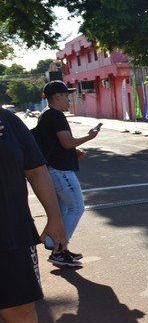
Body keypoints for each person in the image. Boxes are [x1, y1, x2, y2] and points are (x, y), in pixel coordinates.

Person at [0, 107, 69, 323]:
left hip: (11, 231)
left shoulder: (8, 121)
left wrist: (55, 217)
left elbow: (36, 169)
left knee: (21, 307)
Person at [35, 80, 99, 267]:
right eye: (66, 95)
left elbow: (57, 145)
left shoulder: (46, 115)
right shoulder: (55, 116)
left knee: (63, 210)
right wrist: (90, 136)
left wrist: (73, 152)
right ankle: (59, 248)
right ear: (57, 96)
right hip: (60, 171)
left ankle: (57, 247)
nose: (69, 99)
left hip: (54, 169)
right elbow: (66, 142)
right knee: (77, 208)